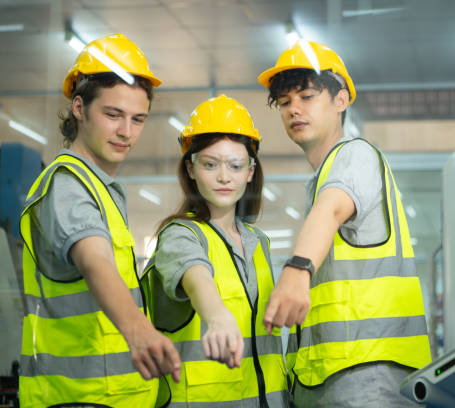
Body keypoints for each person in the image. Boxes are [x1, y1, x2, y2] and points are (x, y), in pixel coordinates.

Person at [257, 40, 432, 407]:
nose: (295, 110)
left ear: (341, 100)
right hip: (332, 375)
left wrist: (297, 269)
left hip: (368, 373)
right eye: (285, 102)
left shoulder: (355, 155)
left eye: (307, 96)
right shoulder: (321, 178)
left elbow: (333, 208)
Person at [18, 34, 181, 407]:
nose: (126, 132)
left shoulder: (102, 188)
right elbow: (95, 262)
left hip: (112, 396)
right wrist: (138, 330)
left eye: (137, 119)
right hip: (78, 398)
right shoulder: (67, 184)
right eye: (113, 115)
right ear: (79, 107)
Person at [141, 94, 289, 407]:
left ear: (250, 172)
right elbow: (196, 276)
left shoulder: (258, 242)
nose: (224, 176)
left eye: (235, 165)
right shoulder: (180, 235)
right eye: (210, 164)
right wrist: (217, 316)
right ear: (191, 169)